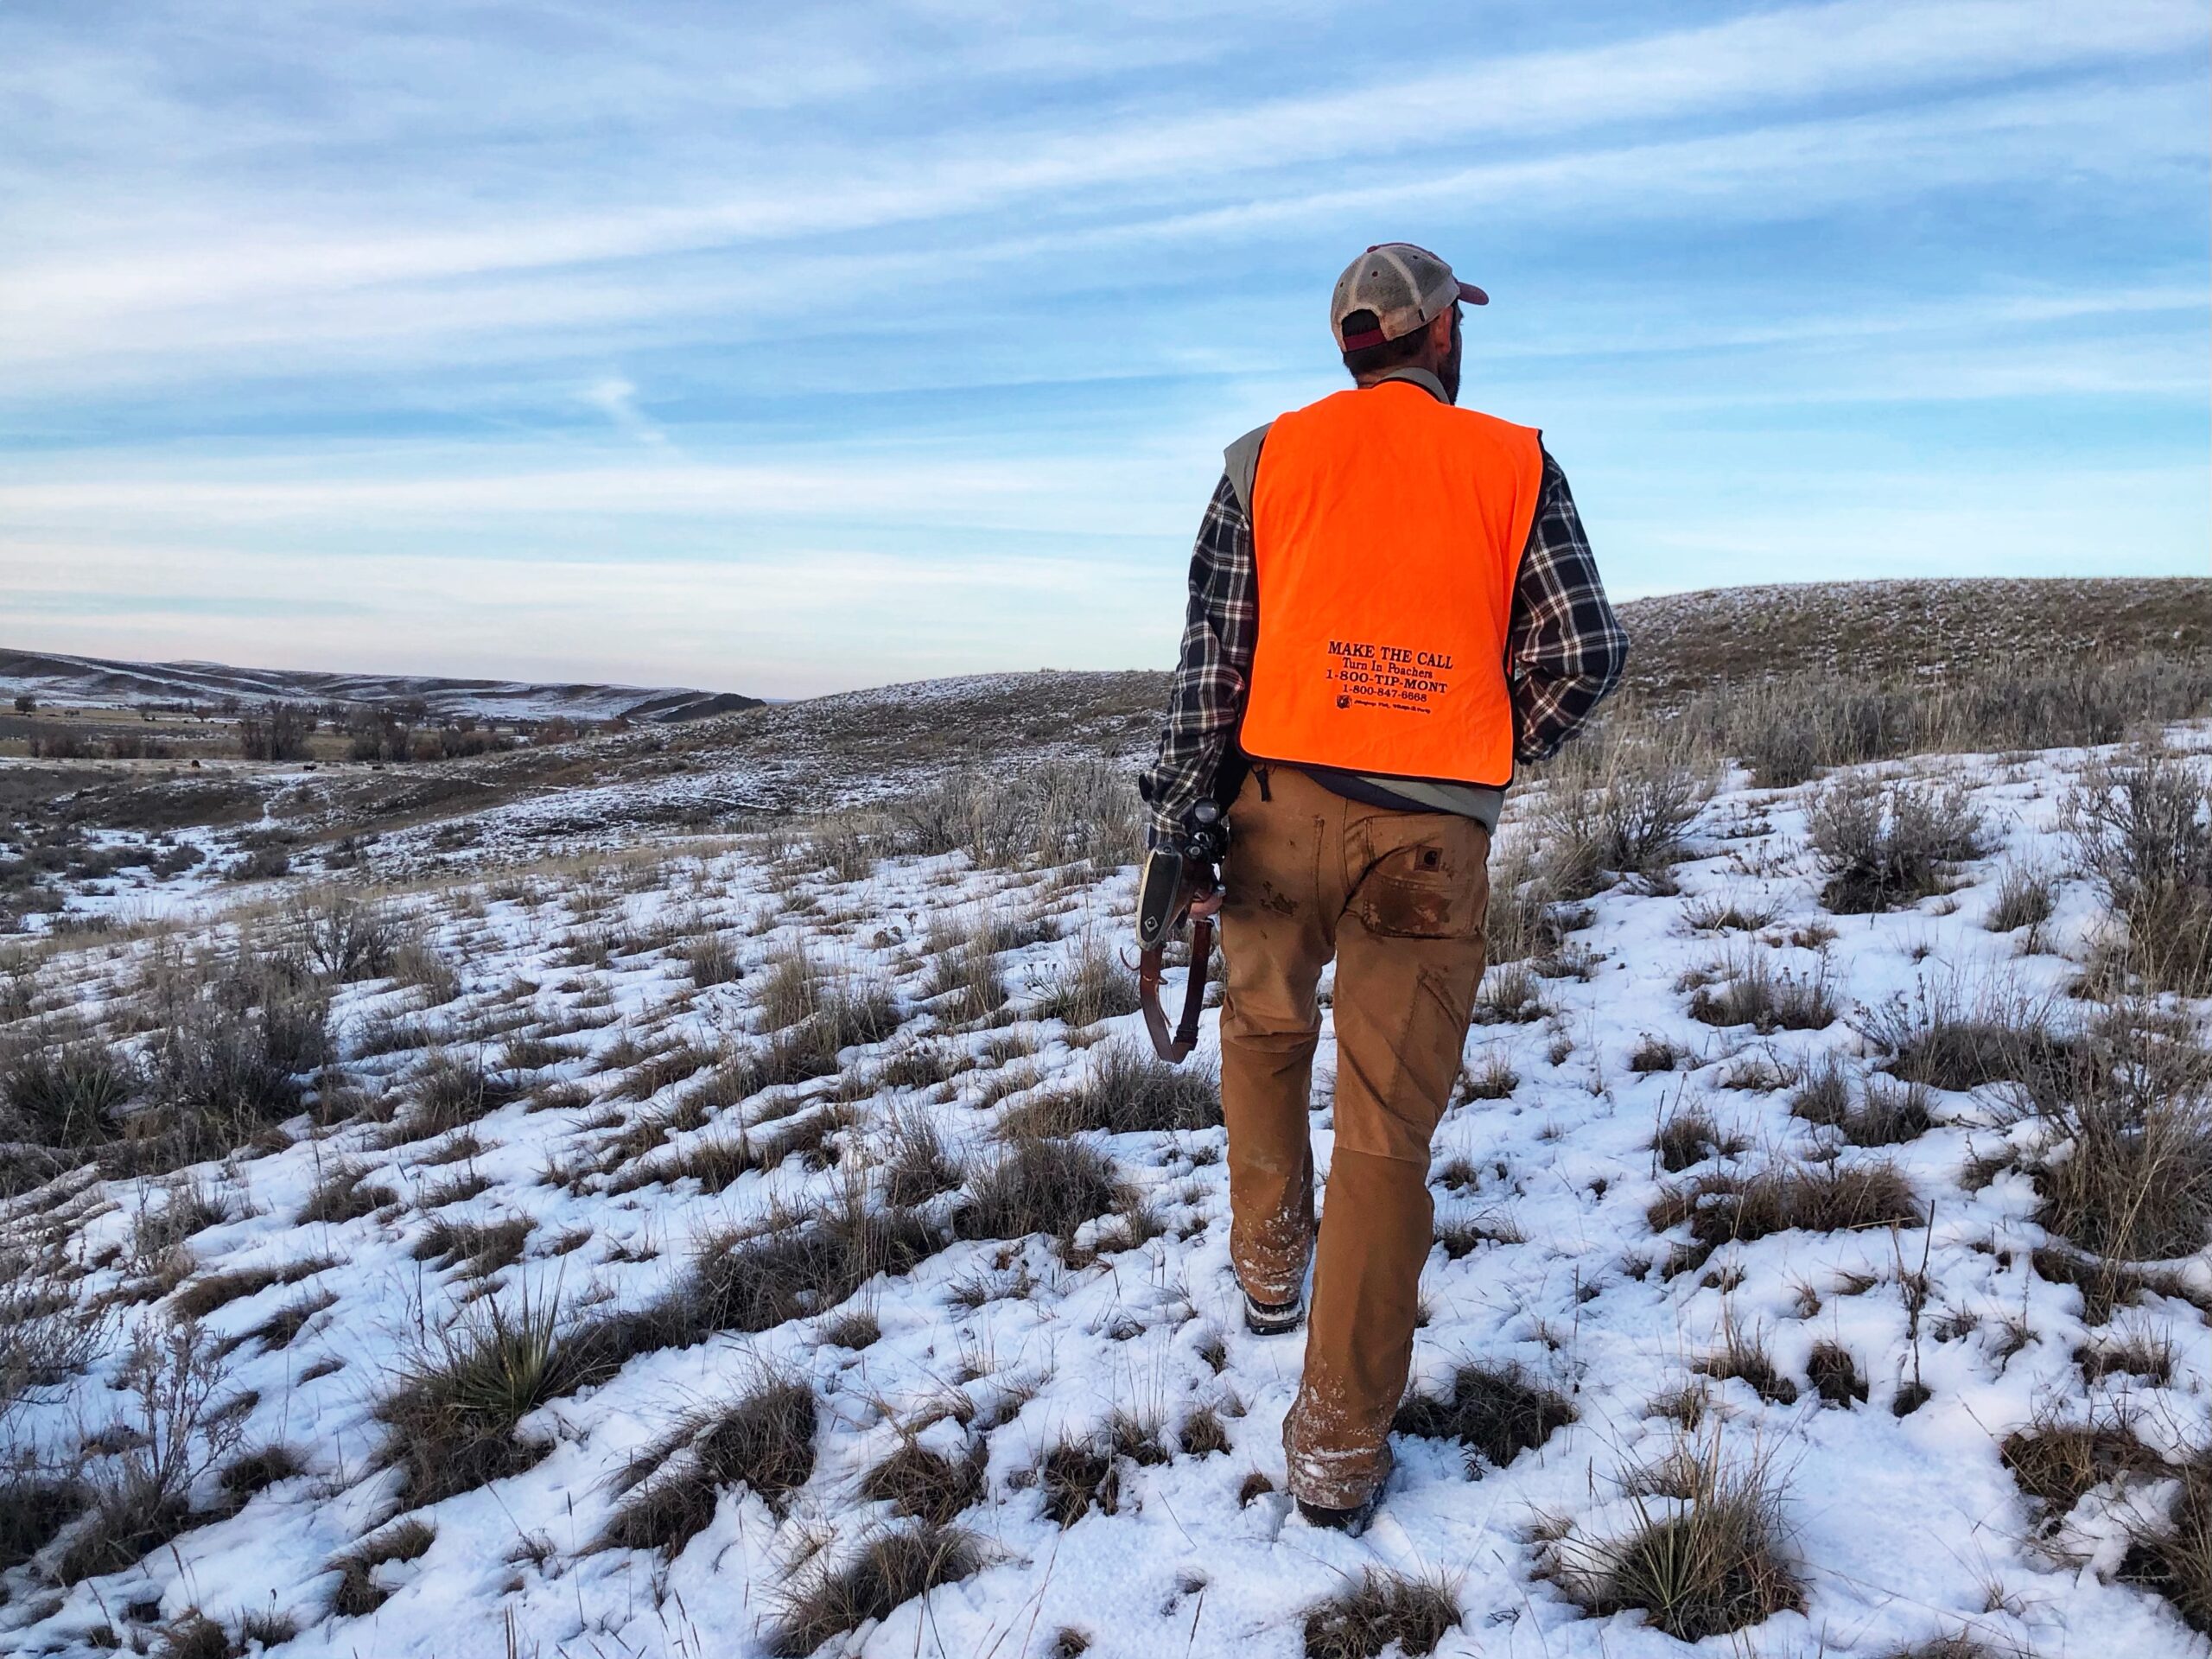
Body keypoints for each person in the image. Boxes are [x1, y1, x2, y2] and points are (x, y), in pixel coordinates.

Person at [1138, 242, 1628, 1533]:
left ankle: (1265, 1263)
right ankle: (1340, 1449)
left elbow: (1212, 659)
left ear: (1353, 345)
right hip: (1429, 837)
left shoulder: (1266, 457)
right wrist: (1489, 749)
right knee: (1384, 1129)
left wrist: (1189, 812)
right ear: (1439, 337)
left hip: (1270, 808)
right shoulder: (1514, 460)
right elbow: (1583, 649)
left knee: (1258, 1028)